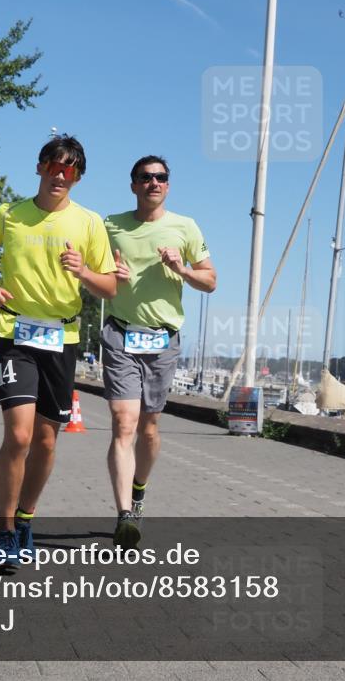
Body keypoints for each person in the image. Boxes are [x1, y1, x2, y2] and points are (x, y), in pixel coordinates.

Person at [0, 134, 117, 562]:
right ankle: (5, 532)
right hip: (15, 334)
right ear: (39, 167)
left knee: (46, 442)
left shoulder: (89, 223)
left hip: (61, 339)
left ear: (78, 177)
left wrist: (84, 272)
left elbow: (109, 285)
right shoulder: (8, 215)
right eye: (53, 166)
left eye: (69, 170)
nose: (60, 175)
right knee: (19, 435)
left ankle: (25, 518)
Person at [102, 155, 216, 547]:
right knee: (124, 423)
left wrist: (182, 269)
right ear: (133, 184)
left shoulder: (186, 227)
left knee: (149, 428)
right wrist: (109, 275)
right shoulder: (111, 225)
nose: (154, 182)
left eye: (161, 177)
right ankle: (124, 516)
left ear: (168, 185)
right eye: (146, 177)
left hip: (163, 340)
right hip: (120, 334)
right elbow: (91, 274)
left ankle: (139, 491)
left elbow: (211, 281)